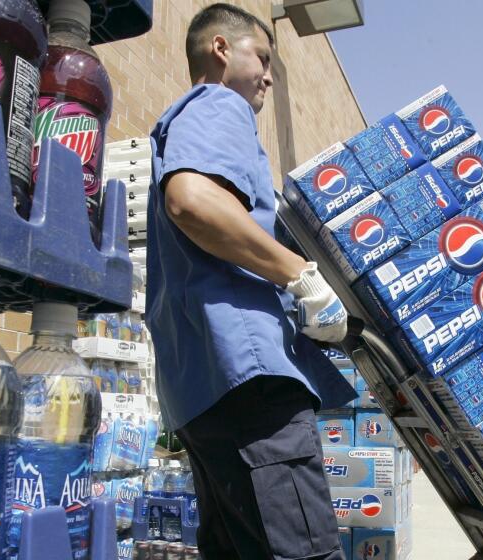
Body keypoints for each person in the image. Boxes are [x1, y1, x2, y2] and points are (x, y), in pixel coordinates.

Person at [145, 4, 357, 559]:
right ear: (220, 49)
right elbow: (191, 202)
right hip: (250, 384)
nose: (267, 74)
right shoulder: (220, 104)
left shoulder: (178, 125)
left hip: (203, 390)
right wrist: (300, 276)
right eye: (262, 57)